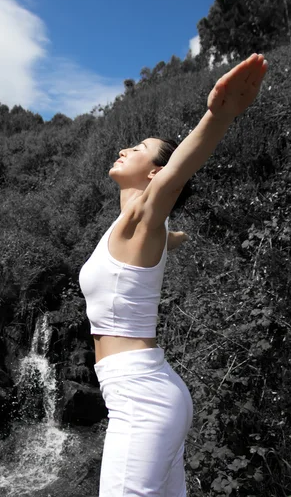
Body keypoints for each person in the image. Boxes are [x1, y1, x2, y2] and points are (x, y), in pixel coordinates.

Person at [79, 53, 268, 496]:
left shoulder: (143, 219)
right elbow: (167, 235)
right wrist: (174, 238)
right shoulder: (146, 230)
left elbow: (175, 178)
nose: (124, 148)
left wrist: (217, 117)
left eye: (139, 149)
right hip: (151, 388)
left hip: (139, 395)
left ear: (155, 173)